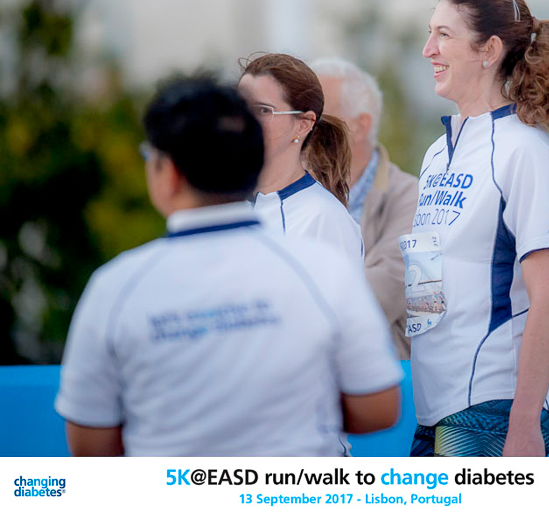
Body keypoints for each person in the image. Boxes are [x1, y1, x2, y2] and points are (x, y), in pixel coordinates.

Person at [54, 76, 402, 456]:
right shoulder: (322, 269)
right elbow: (379, 409)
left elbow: (89, 446)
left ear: (168, 173)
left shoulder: (114, 288)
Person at [406, 0, 549, 457]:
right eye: (430, 33)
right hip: (435, 406)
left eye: (444, 34)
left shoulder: (525, 149)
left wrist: (525, 420)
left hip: (493, 409)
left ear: (489, 50)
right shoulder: (436, 154)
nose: (428, 49)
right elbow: (429, 288)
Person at [311, 57, 419, 360]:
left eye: (318, 116)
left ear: (360, 125)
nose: (304, 125)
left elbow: (378, 296)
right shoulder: (291, 194)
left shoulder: (409, 196)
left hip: (381, 370)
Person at [237, 53, 363, 262]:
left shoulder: (323, 218)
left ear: (304, 124)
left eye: (263, 110)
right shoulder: (228, 209)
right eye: (240, 108)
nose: (245, 121)